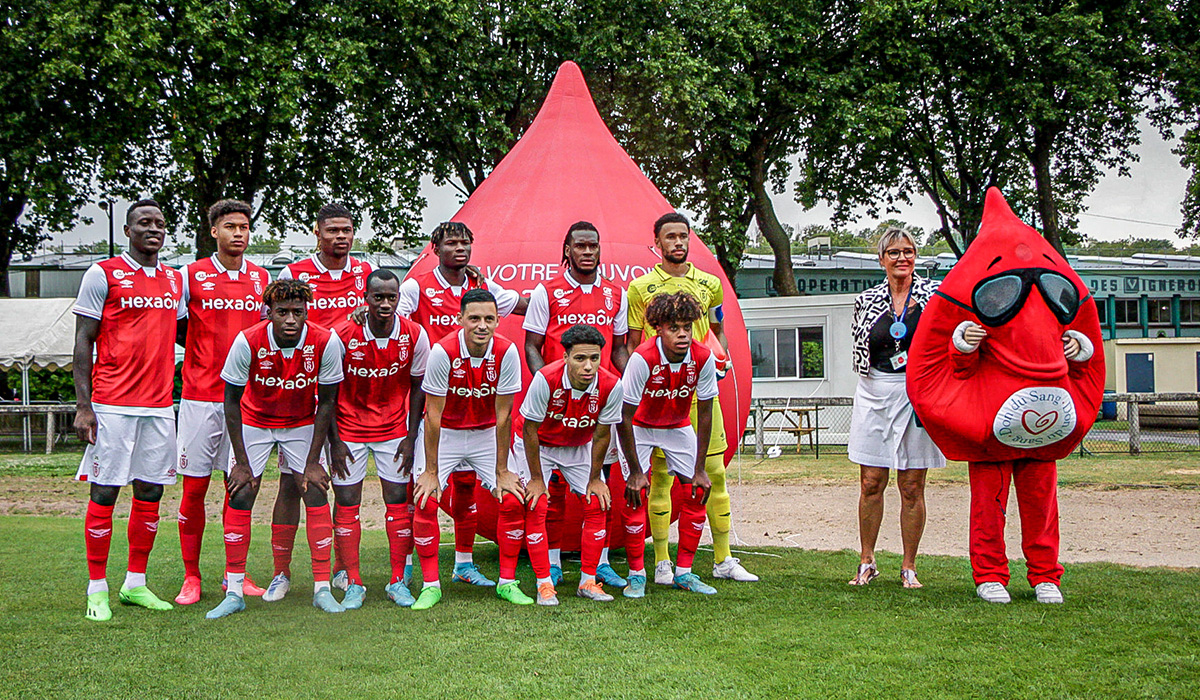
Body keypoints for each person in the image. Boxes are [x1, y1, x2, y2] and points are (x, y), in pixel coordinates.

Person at [626, 212, 756, 585]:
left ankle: (723, 559)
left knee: (712, 474)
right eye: (671, 237)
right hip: (655, 398)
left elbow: (717, 332)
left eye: (684, 236)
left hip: (695, 391)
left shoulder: (710, 283)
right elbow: (634, 342)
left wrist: (717, 360)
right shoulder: (641, 288)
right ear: (657, 242)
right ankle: (662, 562)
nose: (679, 243)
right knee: (660, 479)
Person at [206, 279, 346, 618]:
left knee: (313, 490)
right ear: (268, 312)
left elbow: (327, 403)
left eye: (298, 312)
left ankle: (321, 588)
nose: (290, 320)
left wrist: (313, 461)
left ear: (306, 312)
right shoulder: (248, 341)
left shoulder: (325, 342)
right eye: (282, 312)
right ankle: (235, 590)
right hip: (254, 421)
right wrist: (240, 462)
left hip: (300, 422)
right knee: (240, 492)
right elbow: (231, 402)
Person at [73, 199, 183, 621]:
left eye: (160, 223)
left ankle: (135, 582)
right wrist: (84, 406)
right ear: (128, 231)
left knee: (150, 492)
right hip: (112, 404)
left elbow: (189, 335)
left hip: (158, 405)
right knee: (105, 491)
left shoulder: (174, 281)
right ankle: (96, 587)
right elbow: (83, 339)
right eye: (144, 223)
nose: (153, 229)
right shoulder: (102, 273)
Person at [398, 221, 524, 588]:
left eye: (466, 242)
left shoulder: (481, 287)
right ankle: (409, 567)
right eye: (451, 242)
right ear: (434, 247)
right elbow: (394, 320)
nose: (460, 249)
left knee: (468, 489)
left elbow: (524, 304)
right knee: (419, 492)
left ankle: (465, 564)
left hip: (479, 404)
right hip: (437, 391)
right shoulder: (415, 286)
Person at [269, 202, 373, 601]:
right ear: (317, 233)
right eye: (332, 230)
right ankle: (281, 572)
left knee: (346, 483)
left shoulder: (364, 273)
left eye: (347, 230)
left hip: (348, 390)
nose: (340, 237)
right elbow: (277, 326)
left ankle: (344, 569)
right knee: (293, 482)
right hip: (302, 389)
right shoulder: (293, 273)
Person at [173, 199, 270, 605]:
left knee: (241, 489)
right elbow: (177, 329)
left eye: (244, 227)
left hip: (247, 404)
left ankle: (238, 576)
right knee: (194, 491)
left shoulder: (263, 278)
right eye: (230, 226)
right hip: (199, 399)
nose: (238, 233)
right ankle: (191, 578)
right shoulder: (190, 276)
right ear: (214, 231)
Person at [523, 221, 629, 588]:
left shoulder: (616, 293)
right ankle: (551, 564)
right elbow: (532, 345)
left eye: (593, 246)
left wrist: (626, 387)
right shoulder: (547, 292)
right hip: (556, 403)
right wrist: (549, 386)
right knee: (548, 494)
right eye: (580, 246)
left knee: (600, 486)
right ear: (567, 250)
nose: (587, 251)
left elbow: (617, 349)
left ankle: (598, 564)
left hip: (596, 404)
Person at [411, 289, 523, 610]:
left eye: (489, 319)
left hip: (485, 433)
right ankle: (431, 585)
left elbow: (504, 415)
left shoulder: (507, 351)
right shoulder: (442, 351)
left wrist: (502, 470)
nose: (482, 325)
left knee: (513, 498)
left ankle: (506, 582)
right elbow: (432, 415)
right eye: (474, 318)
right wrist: (431, 472)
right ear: (460, 319)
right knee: (425, 499)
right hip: (444, 432)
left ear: (498, 320)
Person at [847, 227, 945, 588]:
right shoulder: (866, 299)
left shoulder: (934, 296)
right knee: (871, 481)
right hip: (875, 389)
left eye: (908, 251)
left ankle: (909, 566)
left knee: (912, 484)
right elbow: (859, 348)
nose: (902, 258)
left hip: (915, 390)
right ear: (881, 259)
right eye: (894, 253)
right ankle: (866, 560)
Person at [328, 269, 429, 609]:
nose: (385, 304)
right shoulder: (342, 334)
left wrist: (411, 435)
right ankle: (353, 581)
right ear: (366, 299)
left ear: (399, 299)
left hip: (393, 431)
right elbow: (325, 392)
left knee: (398, 502)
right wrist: (336, 440)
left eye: (392, 297)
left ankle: (398, 580)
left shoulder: (414, 334)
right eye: (378, 297)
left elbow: (418, 388)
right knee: (347, 503)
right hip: (348, 429)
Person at [510, 324, 624, 604]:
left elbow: (601, 433)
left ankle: (588, 581)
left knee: (597, 501)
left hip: (576, 446)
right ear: (565, 358)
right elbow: (529, 430)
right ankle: (544, 584)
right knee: (536, 502)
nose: (588, 366)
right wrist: (537, 479)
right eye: (580, 358)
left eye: (594, 359)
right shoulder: (545, 379)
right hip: (538, 445)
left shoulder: (612, 385)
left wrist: (595, 478)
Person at [617, 291, 719, 597]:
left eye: (687, 327)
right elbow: (623, 415)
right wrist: (636, 471)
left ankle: (684, 573)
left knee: (700, 489)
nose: (682, 334)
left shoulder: (702, 357)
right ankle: (637, 574)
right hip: (639, 427)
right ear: (658, 328)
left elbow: (704, 412)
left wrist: (699, 468)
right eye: (674, 327)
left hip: (676, 425)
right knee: (637, 493)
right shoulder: (643, 358)